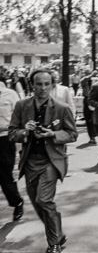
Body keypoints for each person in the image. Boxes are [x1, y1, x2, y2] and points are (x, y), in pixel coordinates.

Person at [8, 69, 78, 253]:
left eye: (47, 84)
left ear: (52, 85)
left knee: (44, 199)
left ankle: (54, 244)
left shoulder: (62, 108)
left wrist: (53, 134)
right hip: (30, 161)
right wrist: (25, 131)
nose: (43, 88)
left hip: (52, 160)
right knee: (37, 202)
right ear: (32, 85)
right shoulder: (21, 106)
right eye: (39, 84)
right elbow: (12, 133)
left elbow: (72, 134)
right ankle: (58, 233)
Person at [0, 83, 24, 221]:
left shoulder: (10, 94)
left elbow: (19, 116)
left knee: (5, 176)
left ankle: (17, 202)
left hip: (4, 140)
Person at [80, 69, 97, 144]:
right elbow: (85, 79)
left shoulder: (94, 81)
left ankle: (94, 134)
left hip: (93, 100)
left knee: (94, 119)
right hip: (87, 100)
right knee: (88, 120)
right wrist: (91, 75)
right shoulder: (84, 81)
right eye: (87, 73)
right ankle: (92, 137)